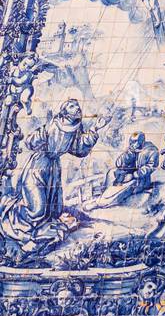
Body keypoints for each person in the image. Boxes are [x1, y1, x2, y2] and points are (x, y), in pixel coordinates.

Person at [0, 99, 98, 253]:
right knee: (37, 209)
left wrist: (95, 130)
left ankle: (38, 232)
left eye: (77, 105)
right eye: (72, 106)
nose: (77, 108)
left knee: (53, 210)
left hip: (52, 170)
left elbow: (78, 149)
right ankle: (11, 216)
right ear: (64, 112)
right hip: (38, 167)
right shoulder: (56, 124)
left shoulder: (75, 128)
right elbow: (47, 144)